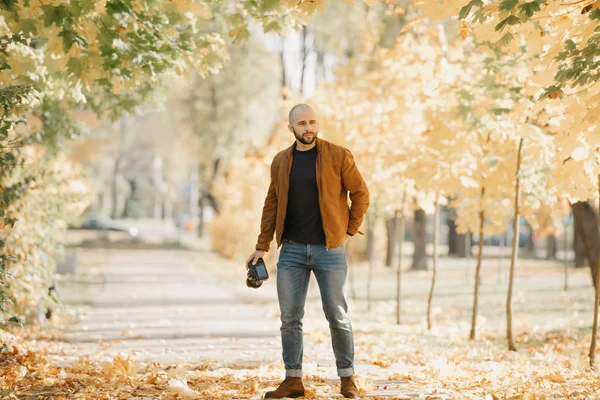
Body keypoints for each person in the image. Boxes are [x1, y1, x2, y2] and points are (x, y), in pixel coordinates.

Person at [247, 104, 369, 399]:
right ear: (291, 128)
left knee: (337, 315)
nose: (308, 128)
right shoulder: (280, 161)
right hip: (291, 250)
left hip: (330, 249)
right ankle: (293, 381)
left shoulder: (339, 155)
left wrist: (348, 230)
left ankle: (347, 379)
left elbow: (361, 194)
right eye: (302, 123)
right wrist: (262, 247)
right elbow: (271, 203)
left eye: (312, 122)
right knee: (290, 318)